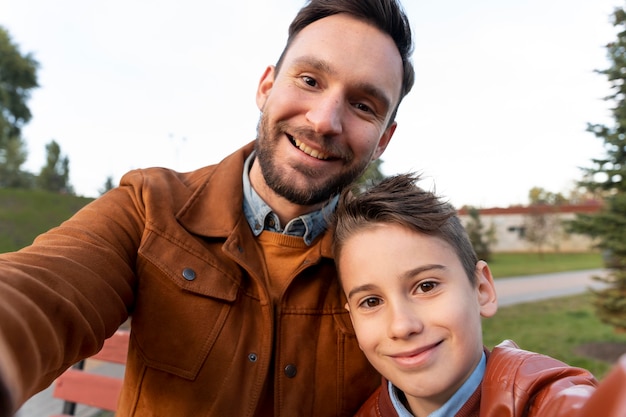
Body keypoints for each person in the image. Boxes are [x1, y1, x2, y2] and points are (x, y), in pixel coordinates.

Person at [0, 1, 416, 416]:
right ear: (266, 87)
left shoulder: (397, 260)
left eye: (363, 105)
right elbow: (41, 291)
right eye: (309, 80)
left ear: (383, 140)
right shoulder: (149, 206)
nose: (325, 120)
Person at [331, 173, 626, 417]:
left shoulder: (542, 399)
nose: (401, 326)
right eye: (371, 301)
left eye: (426, 286)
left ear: (482, 289)